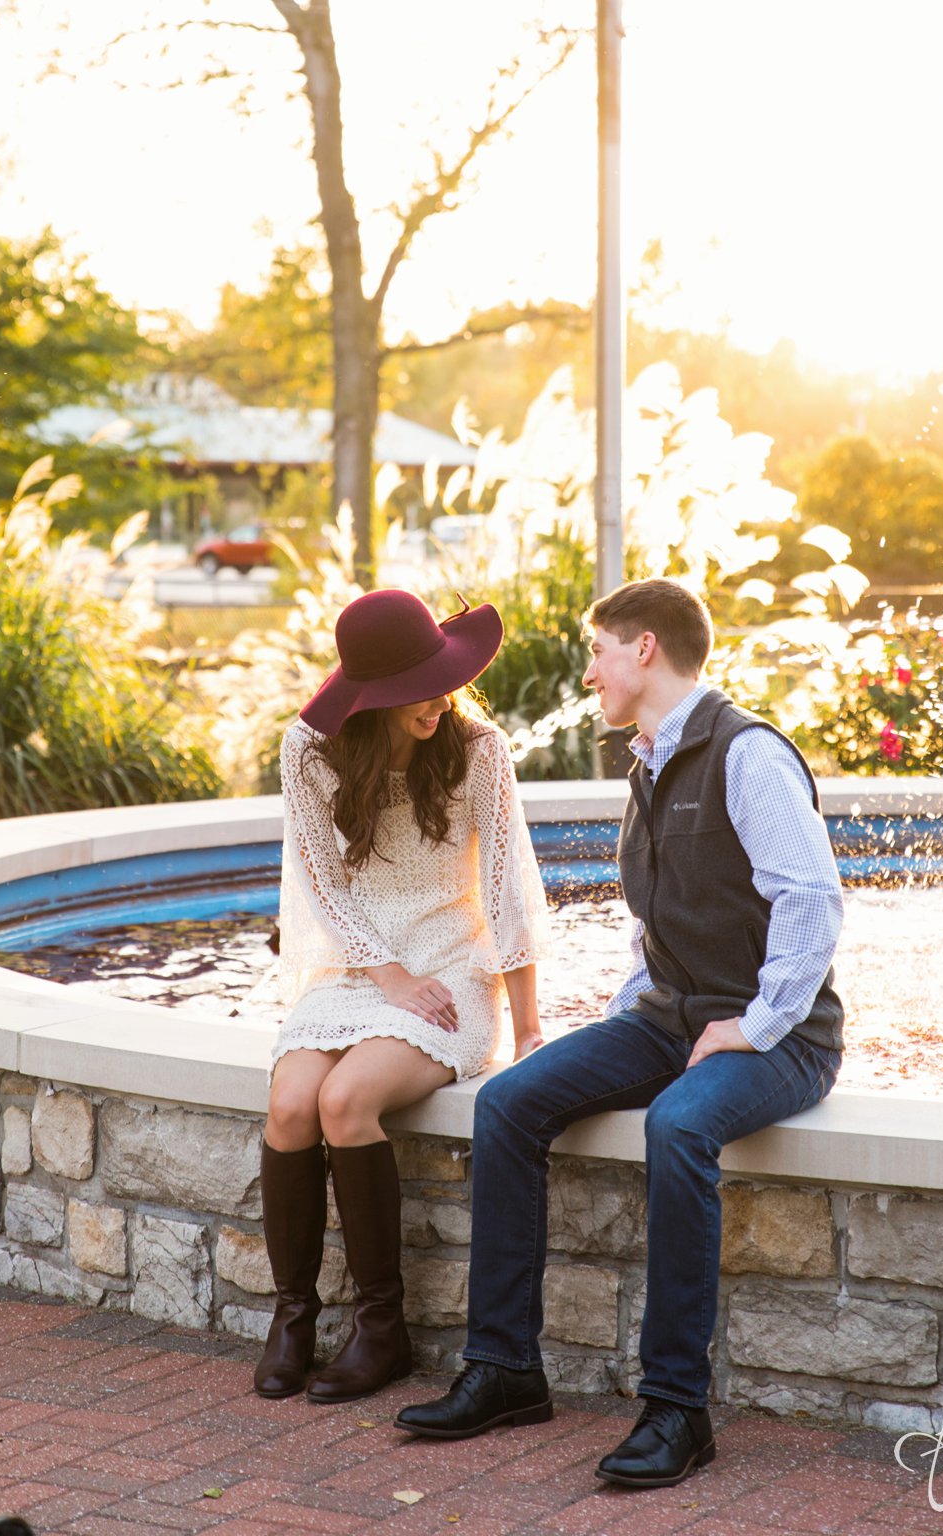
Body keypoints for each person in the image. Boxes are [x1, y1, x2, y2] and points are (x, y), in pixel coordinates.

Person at [396, 577, 845, 1489]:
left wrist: (757, 1026)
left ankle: (676, 1408)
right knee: (512, 1101)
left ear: (644, 649)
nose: (588, 668)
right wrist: (618, 1027)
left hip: (779, 1037)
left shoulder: (747, 754)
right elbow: (654, 919)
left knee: (677, 1126)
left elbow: (813, 901)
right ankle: (506, 1369)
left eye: (597, 649)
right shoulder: (644, 757)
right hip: (666, 1016)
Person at [255, 586, 549, 1406]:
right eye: (411, 690)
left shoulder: (477, 750)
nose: (434, 701)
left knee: (346, 1100)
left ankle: (381, 1328)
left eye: (439, 679)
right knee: (290, 1106)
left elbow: (505, 892)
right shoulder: (308, 751)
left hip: (450, 972)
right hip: (357, 970)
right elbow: (320, 879)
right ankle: (294, 1317)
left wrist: (527, 1034)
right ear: (368, 697)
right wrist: (385, 973)